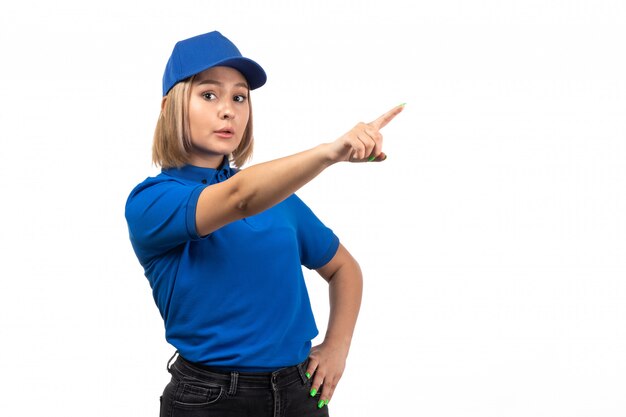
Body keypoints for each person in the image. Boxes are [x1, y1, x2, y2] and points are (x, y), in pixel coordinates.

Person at [125, 30, 404, 417]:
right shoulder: (153, 201)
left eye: (240, 97)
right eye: (209, 95)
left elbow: (344, 268)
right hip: (210, 400)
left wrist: (337, 347)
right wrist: (329, 153)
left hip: (300, 393)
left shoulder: (278, 197)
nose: (229, 110)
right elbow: (239, 198)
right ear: (169, 106)